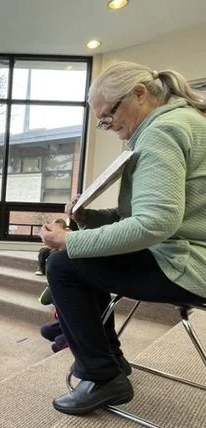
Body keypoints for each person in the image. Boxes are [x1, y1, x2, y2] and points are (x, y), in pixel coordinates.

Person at [39, 61, 206, 416]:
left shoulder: (162, 131)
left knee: (62, 265)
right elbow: (147, 218)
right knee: (78, 262)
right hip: (182, 252)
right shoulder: (181, 123)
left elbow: (155, 224)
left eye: (107, 115)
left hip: (187, 263)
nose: (108, 124)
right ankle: (109, 363)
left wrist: (70, 241)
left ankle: (103, 375)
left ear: (140, 94)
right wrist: (91, 219)